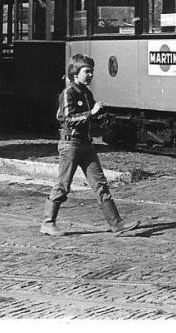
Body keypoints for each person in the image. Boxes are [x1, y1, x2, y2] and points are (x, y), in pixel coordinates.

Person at [40, 54, 139, 237]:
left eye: (92, 71)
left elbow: (93, 114)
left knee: (100, 184)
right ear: (75, 73)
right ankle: (48, 222)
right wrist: (91, 112)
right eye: (87, 71)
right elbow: (67, 119)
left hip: (86, 144)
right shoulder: (68, 93)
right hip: (70, 145)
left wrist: (102, 116)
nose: (90, 75)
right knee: (63, 185)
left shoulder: (86, 93)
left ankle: (117, 225)